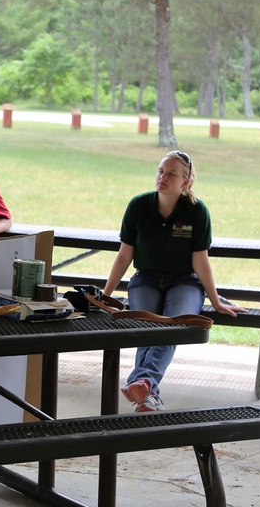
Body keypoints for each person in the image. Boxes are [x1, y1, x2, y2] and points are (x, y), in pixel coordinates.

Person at [103, 151, 243, 412]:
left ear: (186, 182)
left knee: (174, 325)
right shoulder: (138, 206)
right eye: (160, 171)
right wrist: (104, 295)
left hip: (185, 282)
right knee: (146, 324)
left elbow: (200, 261)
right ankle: (148, 392)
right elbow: (125, 255)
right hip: (146, 279)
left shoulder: (197, 211)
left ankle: (142, 381)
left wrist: (216, 301)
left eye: (171, 174)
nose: (162, 177)